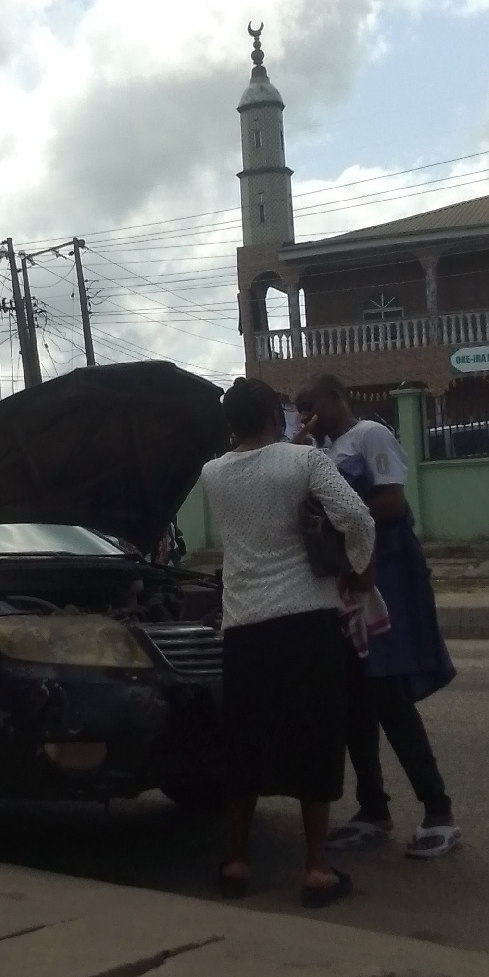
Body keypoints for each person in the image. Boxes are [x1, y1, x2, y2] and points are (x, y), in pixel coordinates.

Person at [202, 377, 375, 908]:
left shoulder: (212, 473)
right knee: (315, 740)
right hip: (306, 622)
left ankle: (236, 862)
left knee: (245, 741)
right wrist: (357, 568)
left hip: (244, 623)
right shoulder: (305, 462)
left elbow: (259, 476)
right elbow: (355, 516)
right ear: (274, 416)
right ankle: (316, 869)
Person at [294, 375, 460, 859]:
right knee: (354, 698)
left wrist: (338, 515)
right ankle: (373, 809)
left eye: (311, 405)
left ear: (336, 397)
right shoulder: (321, 452)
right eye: (299, 409)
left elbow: (391, 500)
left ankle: (438, 810)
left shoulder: (370, 435)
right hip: (348, 580)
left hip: (386, 574)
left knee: (388, 693)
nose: (306, 416)